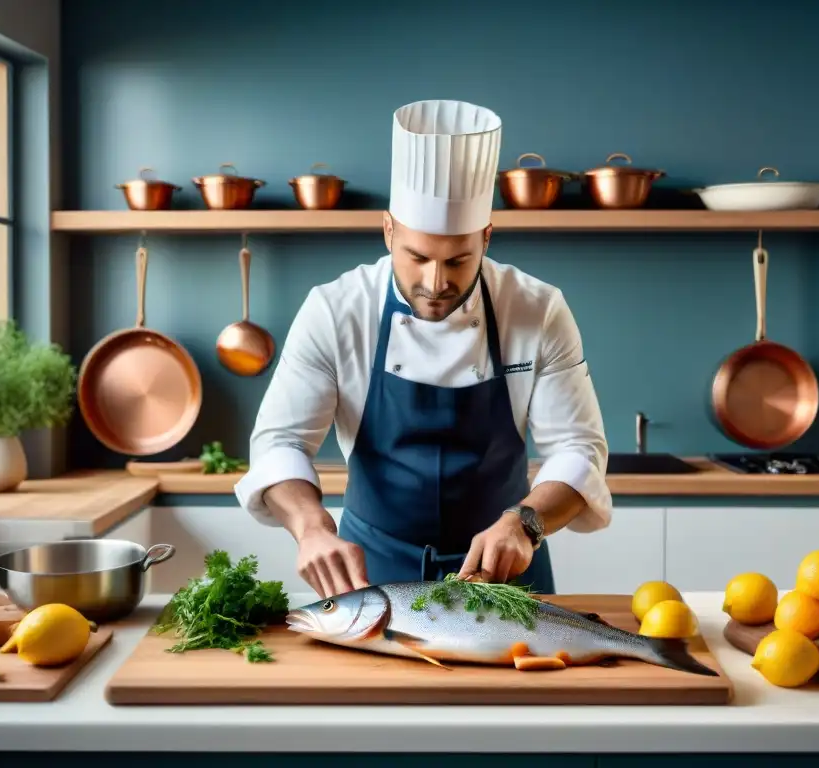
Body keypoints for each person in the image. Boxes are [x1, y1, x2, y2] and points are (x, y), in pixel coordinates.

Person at [234, 99, 612, 599]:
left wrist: (526, 524)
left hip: (505, 573)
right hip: (370, 572)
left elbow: (578, 450)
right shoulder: (335, 310)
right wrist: (311, 528)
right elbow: (280, 443)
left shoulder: (537, 310)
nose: (435, 283)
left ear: (486, 237)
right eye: (416, 257)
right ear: (389, 230)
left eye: (458, 260)